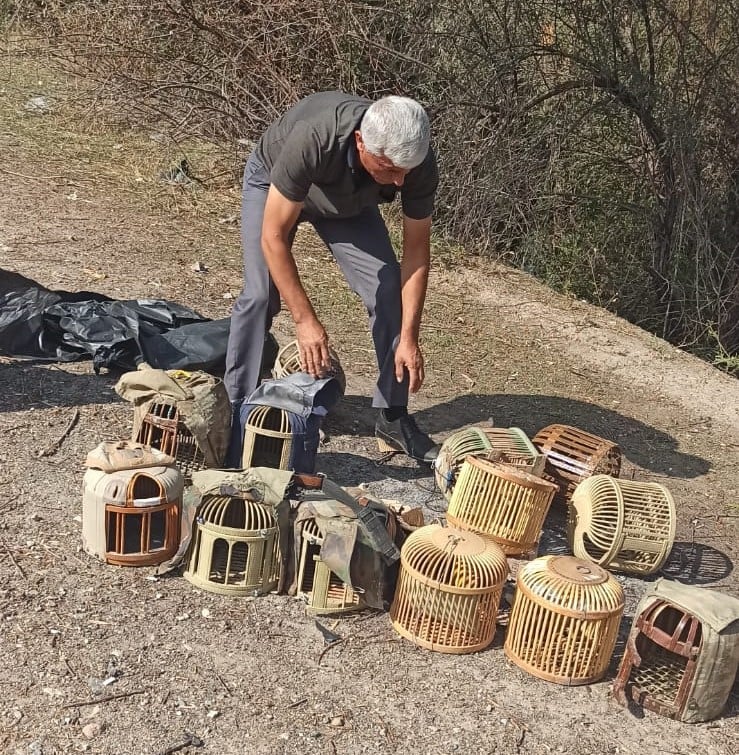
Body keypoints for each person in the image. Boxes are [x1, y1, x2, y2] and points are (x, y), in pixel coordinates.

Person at [224, 91, 440, 464]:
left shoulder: (413, 159)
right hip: (275, 184)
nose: (400, 182)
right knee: (261, 296)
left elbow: (416, 253)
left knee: (388, 287)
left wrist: (409, 338)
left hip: (349, 202)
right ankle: (236, 412)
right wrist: (305, 320)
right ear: (360, 142)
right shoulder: (314, 136)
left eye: (406, 171)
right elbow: (273, 236)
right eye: (390, 169)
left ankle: (392, 415)